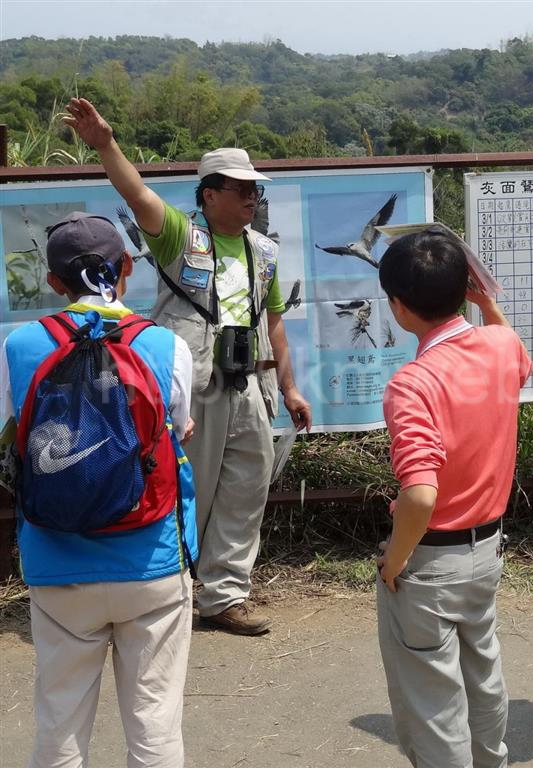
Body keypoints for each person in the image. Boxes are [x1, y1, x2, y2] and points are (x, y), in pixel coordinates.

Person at [64, 98, 312, 635]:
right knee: (187, 488)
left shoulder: (264, 251)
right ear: (209, 194)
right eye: (241, 188)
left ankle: (223, 596)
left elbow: (275, 325)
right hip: (194, 387)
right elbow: (136, 193)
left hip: (250, 386)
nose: (252, 197)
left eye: (255, 189)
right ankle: (171, 588)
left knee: (248, 490)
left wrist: (289, 389)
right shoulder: (181, 237)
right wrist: (106, 143)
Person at [0, 212, 197, 767]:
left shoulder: (19, 347)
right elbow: (179, 429)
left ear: (54, 281)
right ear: (127, 267)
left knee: (58, 721)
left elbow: (9, 433)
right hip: (150, 563)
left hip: (57, 564)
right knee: (154, 721)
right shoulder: (165, 346)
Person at [374, 230, 532, 768]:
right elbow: (518, 360)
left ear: (398, 306)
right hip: (486, 552)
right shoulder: (501, 347)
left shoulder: (412, 383)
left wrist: (393, 561)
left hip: (429, 564)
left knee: (432, 702)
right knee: (482, 675)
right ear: (467, 289)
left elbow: (419, 493)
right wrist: (488, 305)